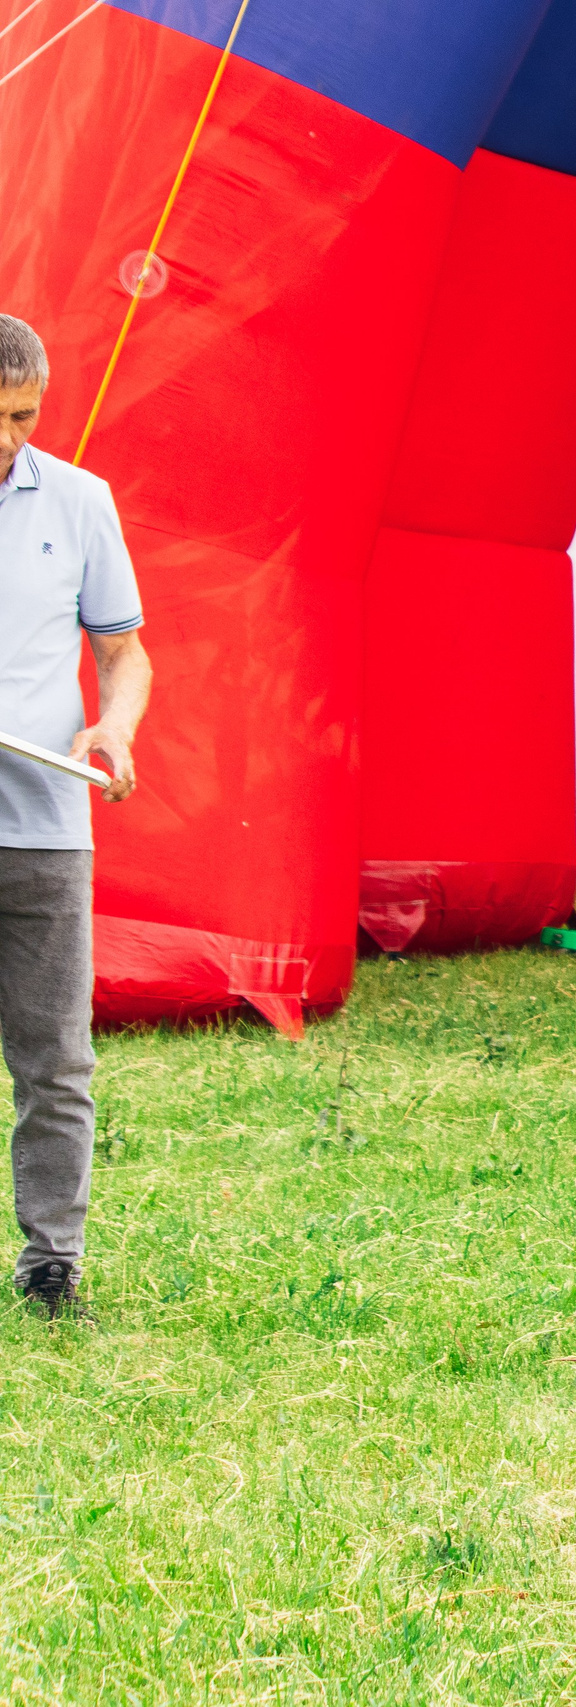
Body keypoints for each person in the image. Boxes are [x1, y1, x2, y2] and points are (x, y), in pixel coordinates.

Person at [0, 314, 152, 1322]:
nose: (11, 437)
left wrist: (114, 728)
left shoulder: (78, 501)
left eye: (23, 416)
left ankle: (52, 1268)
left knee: (56, 1064)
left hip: (47, 823)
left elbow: (127, 654)